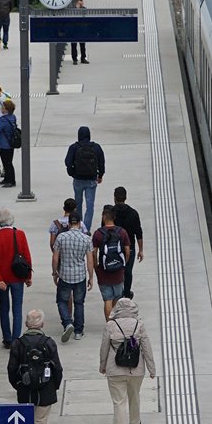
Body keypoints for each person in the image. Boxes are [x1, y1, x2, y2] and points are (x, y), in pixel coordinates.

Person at [6, 310, 62, 424]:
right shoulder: (49, 342)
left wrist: (17, 385)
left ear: (26, 324)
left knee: (28, 418)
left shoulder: (18, 343)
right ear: (42, 325)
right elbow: (57, 368)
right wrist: (55, 386)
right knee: (40, 423)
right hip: (45, 391)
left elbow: (11, 368)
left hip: (25, 390)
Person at [99, 297, 156, 424]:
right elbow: (147, 347)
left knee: (119, 401)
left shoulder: (111, 325)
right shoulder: (139, 325)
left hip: (115, 369)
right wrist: (151, 368)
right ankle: (134, 423)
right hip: (136, 369)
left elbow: (104, 347)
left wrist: (103, 365)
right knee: (134, 394)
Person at [0, 208, 33, 349]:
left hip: (3, 278)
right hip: (17, 277)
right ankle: (16, 339)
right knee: (17, 309)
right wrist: (28, 276)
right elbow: (26, 256)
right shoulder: (19, 234)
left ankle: (7, 338)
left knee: (4, 308)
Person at [52, 210, 93, 342]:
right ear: (80, 224)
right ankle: (78, 331)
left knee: (62, 301)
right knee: (79, 303)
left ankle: (67, 323)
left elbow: (55, 258)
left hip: (64, 275)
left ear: (69, 224)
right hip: (80, 275)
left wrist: (54, 272)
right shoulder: (86, 239)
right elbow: (90, 260)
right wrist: (91, 276)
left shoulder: (61, 238)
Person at [92, 206, 131, 321]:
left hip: (104, 272)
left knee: (107, 299)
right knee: (117, 297)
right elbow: (127, 251)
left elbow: (94, 253)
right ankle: (116, 321)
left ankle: (109, 324)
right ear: (114, 218)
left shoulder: (98, 234)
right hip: (118, 271)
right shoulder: (122, 232)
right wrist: (123, 264)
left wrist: (96, 267)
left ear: (104, 217)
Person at [64, 126, 105, 232]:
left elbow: (67, 162)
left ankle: (78, 225)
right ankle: (86, 230)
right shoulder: (96, 147)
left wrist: (72, 173)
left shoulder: (74, 147)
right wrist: (100, 175)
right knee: (90, 205)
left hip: (78, 179)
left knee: (78, 203)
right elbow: (101, 162)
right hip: (91, 180)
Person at [112, 186, 145, 299]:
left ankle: (116, 293)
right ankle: (126, 294)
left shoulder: (110, 213)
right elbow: (138, 233)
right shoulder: (133, 213)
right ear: (126, 197)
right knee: (128, 271)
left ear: (115, 198)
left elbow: (104, 230)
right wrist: (140, 250)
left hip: (114, 247)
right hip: (129, 247)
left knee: (115, 271)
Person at [0, 99, 18, 188]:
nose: (1, 109)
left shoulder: (3, 120)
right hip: (10, 143)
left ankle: (11, 180)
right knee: (8, 162)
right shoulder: (13, 117)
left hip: (3, 144)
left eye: (3, 107)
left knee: (7, 163)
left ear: (6, 109)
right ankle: (7, 179)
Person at [70, 0, 89, 64]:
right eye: (79, 3)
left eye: (81, 3)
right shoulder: (72, 10)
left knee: (83, 46)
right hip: (73, 30)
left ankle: (83, 58)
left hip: (81, 30)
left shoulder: (84, 9)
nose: (80, 5)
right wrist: (76, 9)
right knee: (73, 45)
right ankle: (74, 59)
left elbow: (85, 17)